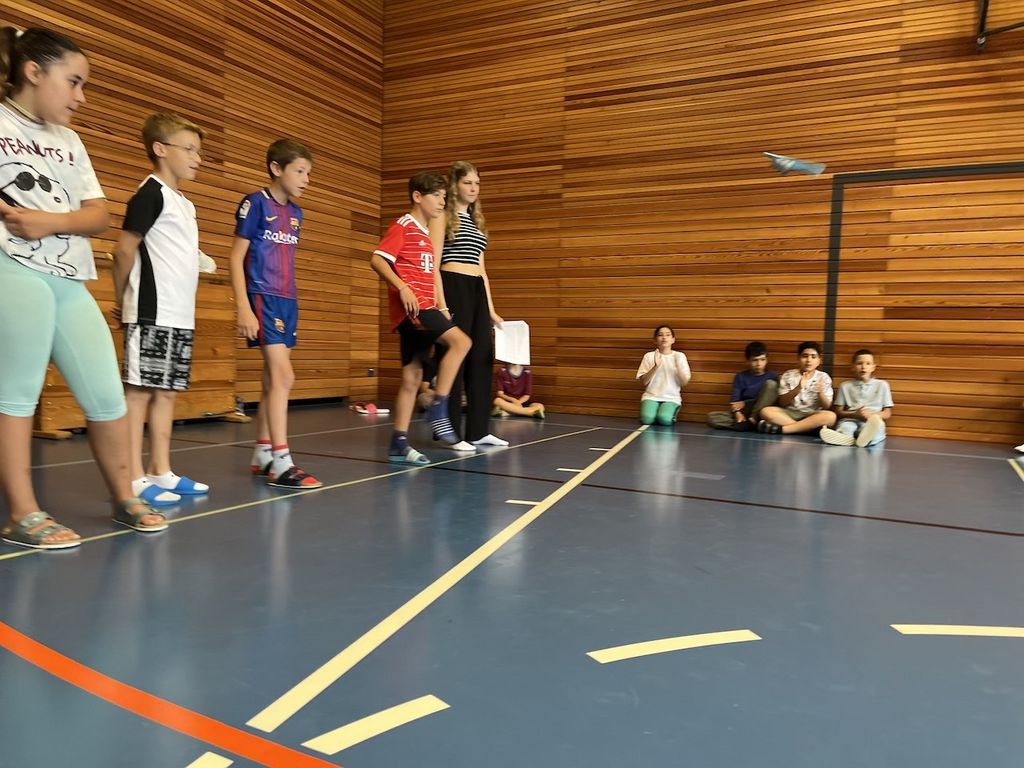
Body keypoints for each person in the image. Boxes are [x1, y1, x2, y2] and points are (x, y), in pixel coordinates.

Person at [0, 26, 165, 548]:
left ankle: (123, 496)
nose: (81, 97)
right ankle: (22, 512)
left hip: (69, 278)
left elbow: (98, 215)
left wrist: (49, 222)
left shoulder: (70, 141)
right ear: (34, 72)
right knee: (17, 392)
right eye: (73, 82)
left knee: (106, 392)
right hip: (12, 268)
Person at [111, 112, 210, 507]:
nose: (197, 158)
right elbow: (123, 250)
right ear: (160, 149)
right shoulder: (149, 193)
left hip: (178, 313)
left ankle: (160, 470)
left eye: (199, 151)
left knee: (167, 392)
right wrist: (123, 299)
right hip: (150, 311)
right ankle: (133, 476)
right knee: (139, 393)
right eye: (190, 149)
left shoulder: (183, 202)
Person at [230, 138, 322, 488]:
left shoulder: (297, 214)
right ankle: (282, 461)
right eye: (299, 171)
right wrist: (243, 306)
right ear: (276, 168)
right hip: (262, 295)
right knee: (285, 376)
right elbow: (235, 258)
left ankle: (263, 451)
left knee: (273, 378)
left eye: (308, 173)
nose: (306, 179)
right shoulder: (254, 203)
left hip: (287, 298)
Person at [370, 171, 472, 464]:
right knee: (461, 342)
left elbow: (429, 275)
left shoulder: (425, 234)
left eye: (444, 197)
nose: (442, 202)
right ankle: (439, 407)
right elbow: (377, 259)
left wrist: (442, 306)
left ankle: (398, 443)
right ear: (417, 196)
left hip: (427, 307)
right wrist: (402, 287)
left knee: (412, 378)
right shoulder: (404, 225)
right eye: (436, 196)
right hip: (415, 310)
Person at [429, 161, 508, 447]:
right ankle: (448, 430)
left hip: (475, 290)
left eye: (477, 183)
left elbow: (482, 270)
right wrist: (441, 304)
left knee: (481, 358)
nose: (473, 188)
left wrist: (491, 310)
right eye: (467, 183)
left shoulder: (477, 222)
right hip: (453, 286)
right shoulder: (442, 216)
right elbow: (434, 263)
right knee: (455, 357)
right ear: (455, 185)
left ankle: (478, 430)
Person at [758, 341, 837, 435]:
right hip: (790, 413)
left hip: (812, 415)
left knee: (831, 416)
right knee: (765, 411)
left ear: (819, 360)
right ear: (798, 358)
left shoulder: (824, 377)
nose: (809, 360)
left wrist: (821, 393)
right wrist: (798, 388)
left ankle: (784, 429)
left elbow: (827, 406)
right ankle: (807, 430)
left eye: (813, 357)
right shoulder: (788, 375)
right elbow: (783, 403)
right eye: (805, 356)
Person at [820, 348, 893, 447]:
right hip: (851, 419)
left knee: (873, 429)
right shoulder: (845, 386)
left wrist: (872, 415)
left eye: (868, 363)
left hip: (872, 421)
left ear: (873, 367)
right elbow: (839, 411)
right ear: (853, 367)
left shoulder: (882, 385)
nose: (863, 367)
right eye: (859, 363)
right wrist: (855, 414)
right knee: (846, 427)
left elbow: (887, 413)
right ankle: (846, 437)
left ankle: (866, 439)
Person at [706, 341, 779, 430]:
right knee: (712, 417)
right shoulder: (740, 376)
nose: (759, 364)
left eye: (762, 360)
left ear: (767, 360)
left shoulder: (773, 376)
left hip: (763, 411)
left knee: (771, 384)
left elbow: (773, 400)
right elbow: (735, 401)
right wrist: (738, 413)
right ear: (747, 361)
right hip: (746, 411)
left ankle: (752, 421)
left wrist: (745, 403)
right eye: (755, 360)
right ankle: (750, 424)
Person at [636, 325, 691, 426]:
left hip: (671, 398)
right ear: (655, 340)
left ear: (673, 339)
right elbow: (644, 382)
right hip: (651, 396)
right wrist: (656, 366)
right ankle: (655, 412)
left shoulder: (680, 356)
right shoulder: (649, 356)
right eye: (660, 335)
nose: (664, 337)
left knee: (664, 419)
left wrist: (678, 367)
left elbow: (684, 382)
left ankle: (668, 413)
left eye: (668, 335)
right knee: (647, 420)